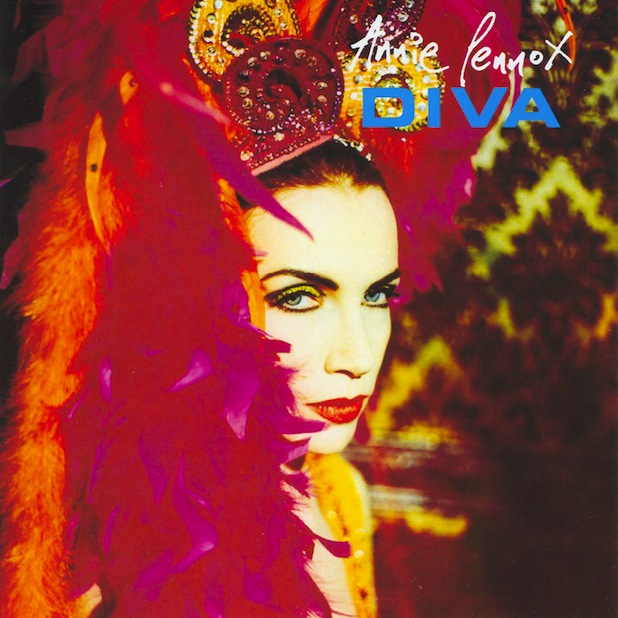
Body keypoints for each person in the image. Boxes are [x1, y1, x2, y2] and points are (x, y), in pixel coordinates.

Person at [0, 0, 519, 616]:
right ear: (199, 302)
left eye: (377, 294)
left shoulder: (338, 496)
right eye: (299, 297)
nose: (357, 356)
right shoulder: (93, 572)